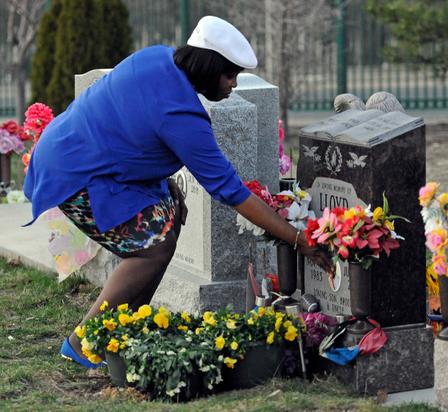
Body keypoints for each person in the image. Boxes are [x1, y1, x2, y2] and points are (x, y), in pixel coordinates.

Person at [23, 16, 332, 368]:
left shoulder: (157, 58)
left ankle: (126, 328)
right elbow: (229, 190)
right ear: (210, 67)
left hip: (72, 152)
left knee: (163, 229)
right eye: (229, 75)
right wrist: (297, 238)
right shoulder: (183, 114)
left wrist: (164, 183)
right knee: (150, 250)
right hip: (76, 173)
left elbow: (131, 128)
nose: (233, 85)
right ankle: (85, 342)